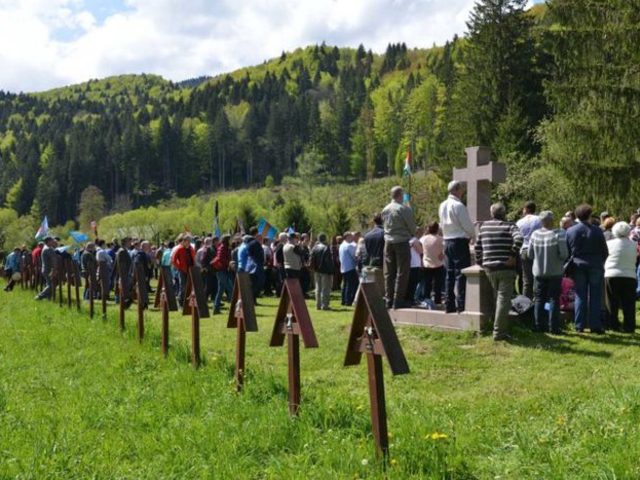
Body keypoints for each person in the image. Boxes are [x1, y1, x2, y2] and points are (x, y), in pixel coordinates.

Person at [475, 203, 523, 341]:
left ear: (491, 213)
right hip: (505, 268)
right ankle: (499, 332)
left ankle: (495, 326)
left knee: (497, 298)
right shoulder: (510, 226)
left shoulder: (484, 227)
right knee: (503, 300)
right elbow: (519, 239)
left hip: (489, 268)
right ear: (504, 213)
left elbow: (478, 247)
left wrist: (481, 262)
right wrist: (512, 255)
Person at [566, 204, 608, 334]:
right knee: (595, 296)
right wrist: (599, 261)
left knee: (580, 295)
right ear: (589, 215)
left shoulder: (570, 231)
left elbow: (567, 252)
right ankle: (595, 325)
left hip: (578, 265)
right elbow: (604, 251)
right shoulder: (597, 230)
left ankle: (579, 325)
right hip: (595, 265)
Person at [528, 211, 568, 334]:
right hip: (555, 272)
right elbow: (564, 254)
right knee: (553, 300)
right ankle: (553, 327)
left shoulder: (535, 234)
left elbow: (530, 254)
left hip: (539, 272)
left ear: (541, 221)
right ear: (552, 220)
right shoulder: (559, 234)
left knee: (539, 299)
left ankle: (538, 325)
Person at [439, 180, 475, 313]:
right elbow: (467, 225)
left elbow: (441, 225)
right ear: (457, 190)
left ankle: (449, 305)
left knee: (449, 274)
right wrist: (473, 236)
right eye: (461, 190)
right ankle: (461, 305)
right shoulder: (459, 205)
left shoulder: (442, 205)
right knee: (460, 274)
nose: (462, 192)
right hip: (459, 241)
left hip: (447, 241)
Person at [382, 186, 416, 309]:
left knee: (389, 272)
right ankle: (398, 299)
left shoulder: (385, 209)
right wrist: (411, 233)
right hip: (401, 241)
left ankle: (388, 298)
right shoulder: (403, 209)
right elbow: (412, 227)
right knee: (402, 271)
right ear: (400, 195)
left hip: (388, 242)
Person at [604, 222, 637, 332]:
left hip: (611, 274)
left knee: (611, 302)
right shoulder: (634, 244)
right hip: (630, 275)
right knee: (629, 303)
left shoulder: (609, 243)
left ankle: (612, 324)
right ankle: (629, 326)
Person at [517, 201, 542, 299]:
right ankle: (538, 303)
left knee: (527, 280)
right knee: (538, 277)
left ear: (526, 209)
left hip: (524, 250)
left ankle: (526, 306)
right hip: (537, 250)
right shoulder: (540, 220)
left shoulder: (519, 222)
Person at [420, 221, 445, 305]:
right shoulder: (441, 239)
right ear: (437, 229)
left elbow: (420, 250)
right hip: (438, 263)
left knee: (427, 283)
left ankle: (427, 299)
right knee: (438, 284)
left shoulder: (423, 239)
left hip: (427, 263)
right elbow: (444, 251)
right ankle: (438, 300)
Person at [310, 233, 334, 310]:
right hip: (325, 270)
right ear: (325, 239)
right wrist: (331, 271)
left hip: (316, 270)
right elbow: (328, 261)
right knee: (325, 288)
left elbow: (311, 259)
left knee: (318, 288)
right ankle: (325, 305)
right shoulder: (326, 248)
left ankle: (318, 305)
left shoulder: (314, 248)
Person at [362, 213, 385, 294]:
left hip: (369, 264)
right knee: (381, 290)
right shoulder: (384, 234)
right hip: (381, 264)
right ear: (383, 221)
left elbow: (365, 251)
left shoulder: (367, 235)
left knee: (370, 289)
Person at [171, 235, 196, 306]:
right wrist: (179, 267)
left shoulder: (191, 249)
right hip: (182, 271)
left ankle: (189, 302)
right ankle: (181, 302)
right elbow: (173, 260)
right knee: (183, 287)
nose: (189, 243)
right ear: (184, 241)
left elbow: (194, 258)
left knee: (191, 287)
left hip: (191, 270)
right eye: (187, 241)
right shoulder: (179, 249)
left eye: (189, 241)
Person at [212, 234, 232, 314]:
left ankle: (216, 309)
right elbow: (220, 258)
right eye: (230, 239)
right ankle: (235, 308)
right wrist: (229, 263)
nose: (232, 240)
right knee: (230, 289)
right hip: (221, 271)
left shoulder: (224, 247)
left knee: (221, 290)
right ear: (227, 240)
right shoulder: (223, 247)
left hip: (222, 270)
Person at [339, 232, 358, 306]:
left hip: (343, 267)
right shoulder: (349, 246)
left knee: (345, 285)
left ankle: (343, 300)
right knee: (350, 285)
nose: (352, 238)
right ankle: (348, 301)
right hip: (350, 267)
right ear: (347, 237)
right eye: (350, 236)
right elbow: (354, 256)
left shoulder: (341, 245)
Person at [115, 237, 134, 308]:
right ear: (125, 242)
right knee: (124, 290)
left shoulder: (124, 250)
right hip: (124, 274)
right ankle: (124, 304)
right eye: (129, 242)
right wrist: (123, 277)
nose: (130, 243)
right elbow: (121, 265)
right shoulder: (122, 251)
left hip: (127, 274)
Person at [407, 228, 423, 304]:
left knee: (409, 283)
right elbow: (421, 251)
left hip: (408, 264)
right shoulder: (414, 240)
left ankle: (408, 298)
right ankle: (411, 299)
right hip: (415, 264)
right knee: (414, 283)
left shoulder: (406, 240)